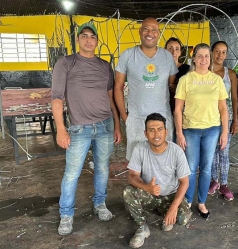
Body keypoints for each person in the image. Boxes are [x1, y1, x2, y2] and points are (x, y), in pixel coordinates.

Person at [51, 22, 122, 235]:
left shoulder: (104, 66)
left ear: (97, 42)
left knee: (102, 168)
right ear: (78, 39)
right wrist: (61, 129)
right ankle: (66, 214)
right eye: (85, 36)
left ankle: (100, 203)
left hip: (105, 125)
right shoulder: (66, 63)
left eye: (92, 36)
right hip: (79, 128)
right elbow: (56, 98)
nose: (88, 40)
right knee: (72, 173)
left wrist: (117, 125)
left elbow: (110, 97)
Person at [174, 43, 229, 219]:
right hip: (190, 130)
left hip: (212, 130)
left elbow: (223, 109)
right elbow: (177, 109)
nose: (203, 59)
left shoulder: (216, 80)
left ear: (210, 58)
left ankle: (202, 202)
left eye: (206, 56)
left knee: (205, 169)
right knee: (190, 168)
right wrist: (179, 133)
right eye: (200, 56)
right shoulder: (185, 80)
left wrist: (225, 132)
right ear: (194, 58)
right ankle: (188, 202)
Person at [123, 113, 192, 249]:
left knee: (182, 218)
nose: (156, 134)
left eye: (160, 129)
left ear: (166, 132)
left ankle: (166, 214)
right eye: (151, 130)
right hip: (149, 195)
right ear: (145, 133)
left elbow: (184, 182)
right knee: (128, 192)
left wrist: (173, 209)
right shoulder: (140, 148)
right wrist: (146, 188)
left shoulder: (176, 151)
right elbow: (132, 175)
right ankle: (142, 227)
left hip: (170, 197)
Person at [114, 17, 178, 161]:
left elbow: (173, 88)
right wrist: (125, 117)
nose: (150, 33)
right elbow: (117, 87)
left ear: (158, 34)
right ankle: (141, 185)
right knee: (137, 163)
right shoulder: (128, 55)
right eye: (146, 29)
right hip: (136, 120)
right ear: (140, 31)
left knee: (163, 161)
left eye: (154, 30)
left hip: (163, 119)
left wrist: (174, 115)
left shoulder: (167, 57)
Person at [208, 41, 238, 201]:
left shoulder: (231, 74)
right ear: (211, 52)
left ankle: (225, 183)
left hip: (226, 119)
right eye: (217, 51)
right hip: (209, 119)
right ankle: (214, 181)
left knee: (224, 152)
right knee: (212, 152)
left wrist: (235, 120)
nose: (220, 55)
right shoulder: (204, 71)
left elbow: (234, 98)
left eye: (224, 52)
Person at [165, 37, 190, 114]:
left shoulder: (187, 69)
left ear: (180, 52)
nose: (173, 52)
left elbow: (193, 90)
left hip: (183, 110)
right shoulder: (160, 69)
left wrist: (179, 89)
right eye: (170, 49)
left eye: (177, 49)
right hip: (163, 108)